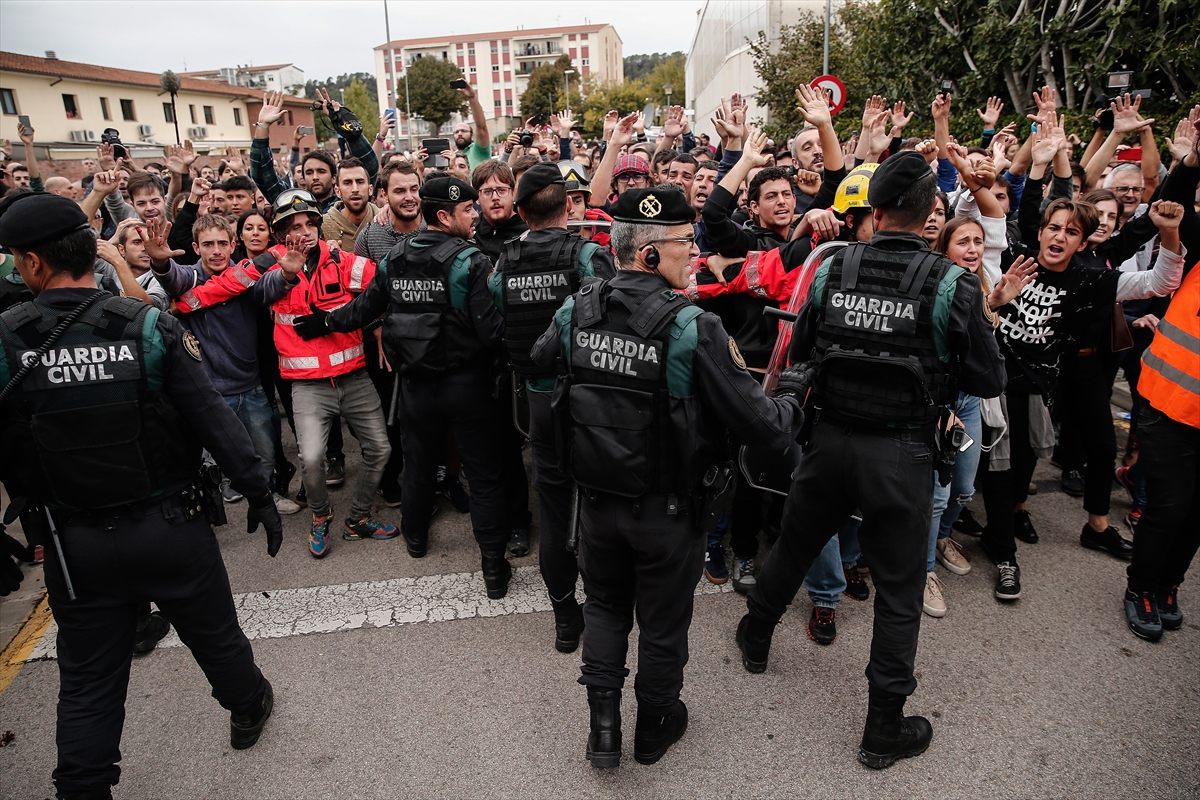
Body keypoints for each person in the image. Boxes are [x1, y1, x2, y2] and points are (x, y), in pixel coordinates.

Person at [0, 192, 282, 799]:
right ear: (88, 252)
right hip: (169, 526)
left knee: (88, 679)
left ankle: (83, 785)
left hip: (74, 542)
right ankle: (248, 707)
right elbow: (211, 416)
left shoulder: (7, 340)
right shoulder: (147, 325)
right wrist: (257, 489)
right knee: (215, 636)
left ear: (31, 264)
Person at [735, 151, 1007, 770]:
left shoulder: (833, 265)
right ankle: (883, 725)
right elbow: (987, 377)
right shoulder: (951, 283)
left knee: (796, 546)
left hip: (830, 444)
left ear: (876, 211)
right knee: (901, 590)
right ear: (927, 217)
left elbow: (801, 345)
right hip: (903, 455)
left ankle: (755, 634)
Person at [531, 187, 805, 768]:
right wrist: (797, 391)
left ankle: (603, 732)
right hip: (667, 511)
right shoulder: (692, 326)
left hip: (597, 503)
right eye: (686, 243)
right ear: (651, 254)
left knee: (604, 608)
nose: (696, 253)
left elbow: (539, 359)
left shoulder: (577, 308)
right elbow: (766, 428)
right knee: (661, 624)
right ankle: (654, 728)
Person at [292, 177, 514, 599]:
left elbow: (363, 308)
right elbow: (491, 332)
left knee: (418, 464)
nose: (476, 216)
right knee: (485, 477)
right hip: (467, 386)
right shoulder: (472, 261)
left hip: (414, 386)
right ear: (445, 216)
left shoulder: (396, 257)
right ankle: (492, 565)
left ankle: (415, 539)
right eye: (469, 209)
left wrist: (324, 321)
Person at [487, 163, 615, 649]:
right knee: (602, 505)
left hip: (538, 400)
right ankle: (602, 612)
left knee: (557, 510)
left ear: (519, 211)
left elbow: (501, 307)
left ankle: (566, 618)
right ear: (569, 206)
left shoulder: (506, 260)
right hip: (590, 399)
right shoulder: (587, 255)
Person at [144, 214, 300, 515]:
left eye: (221, 244)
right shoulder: (189, 277)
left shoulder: (245, 276)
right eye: (207, 244)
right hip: (211, 390)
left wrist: (287, 277)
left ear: (233, 245)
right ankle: (227, 487)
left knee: (265, 450)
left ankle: (268, 494)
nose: (216, 251)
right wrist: (161, 264)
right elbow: (172, 278)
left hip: (251, 385)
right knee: (217, 453)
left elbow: (269, 288)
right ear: (195, 247)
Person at [451, 83, 492, 170]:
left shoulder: (479, 150)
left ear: (472, 136)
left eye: (463, 131)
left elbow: (481, 127)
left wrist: (472, 97)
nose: (460, 134)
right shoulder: (451, 156)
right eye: (456, 132)